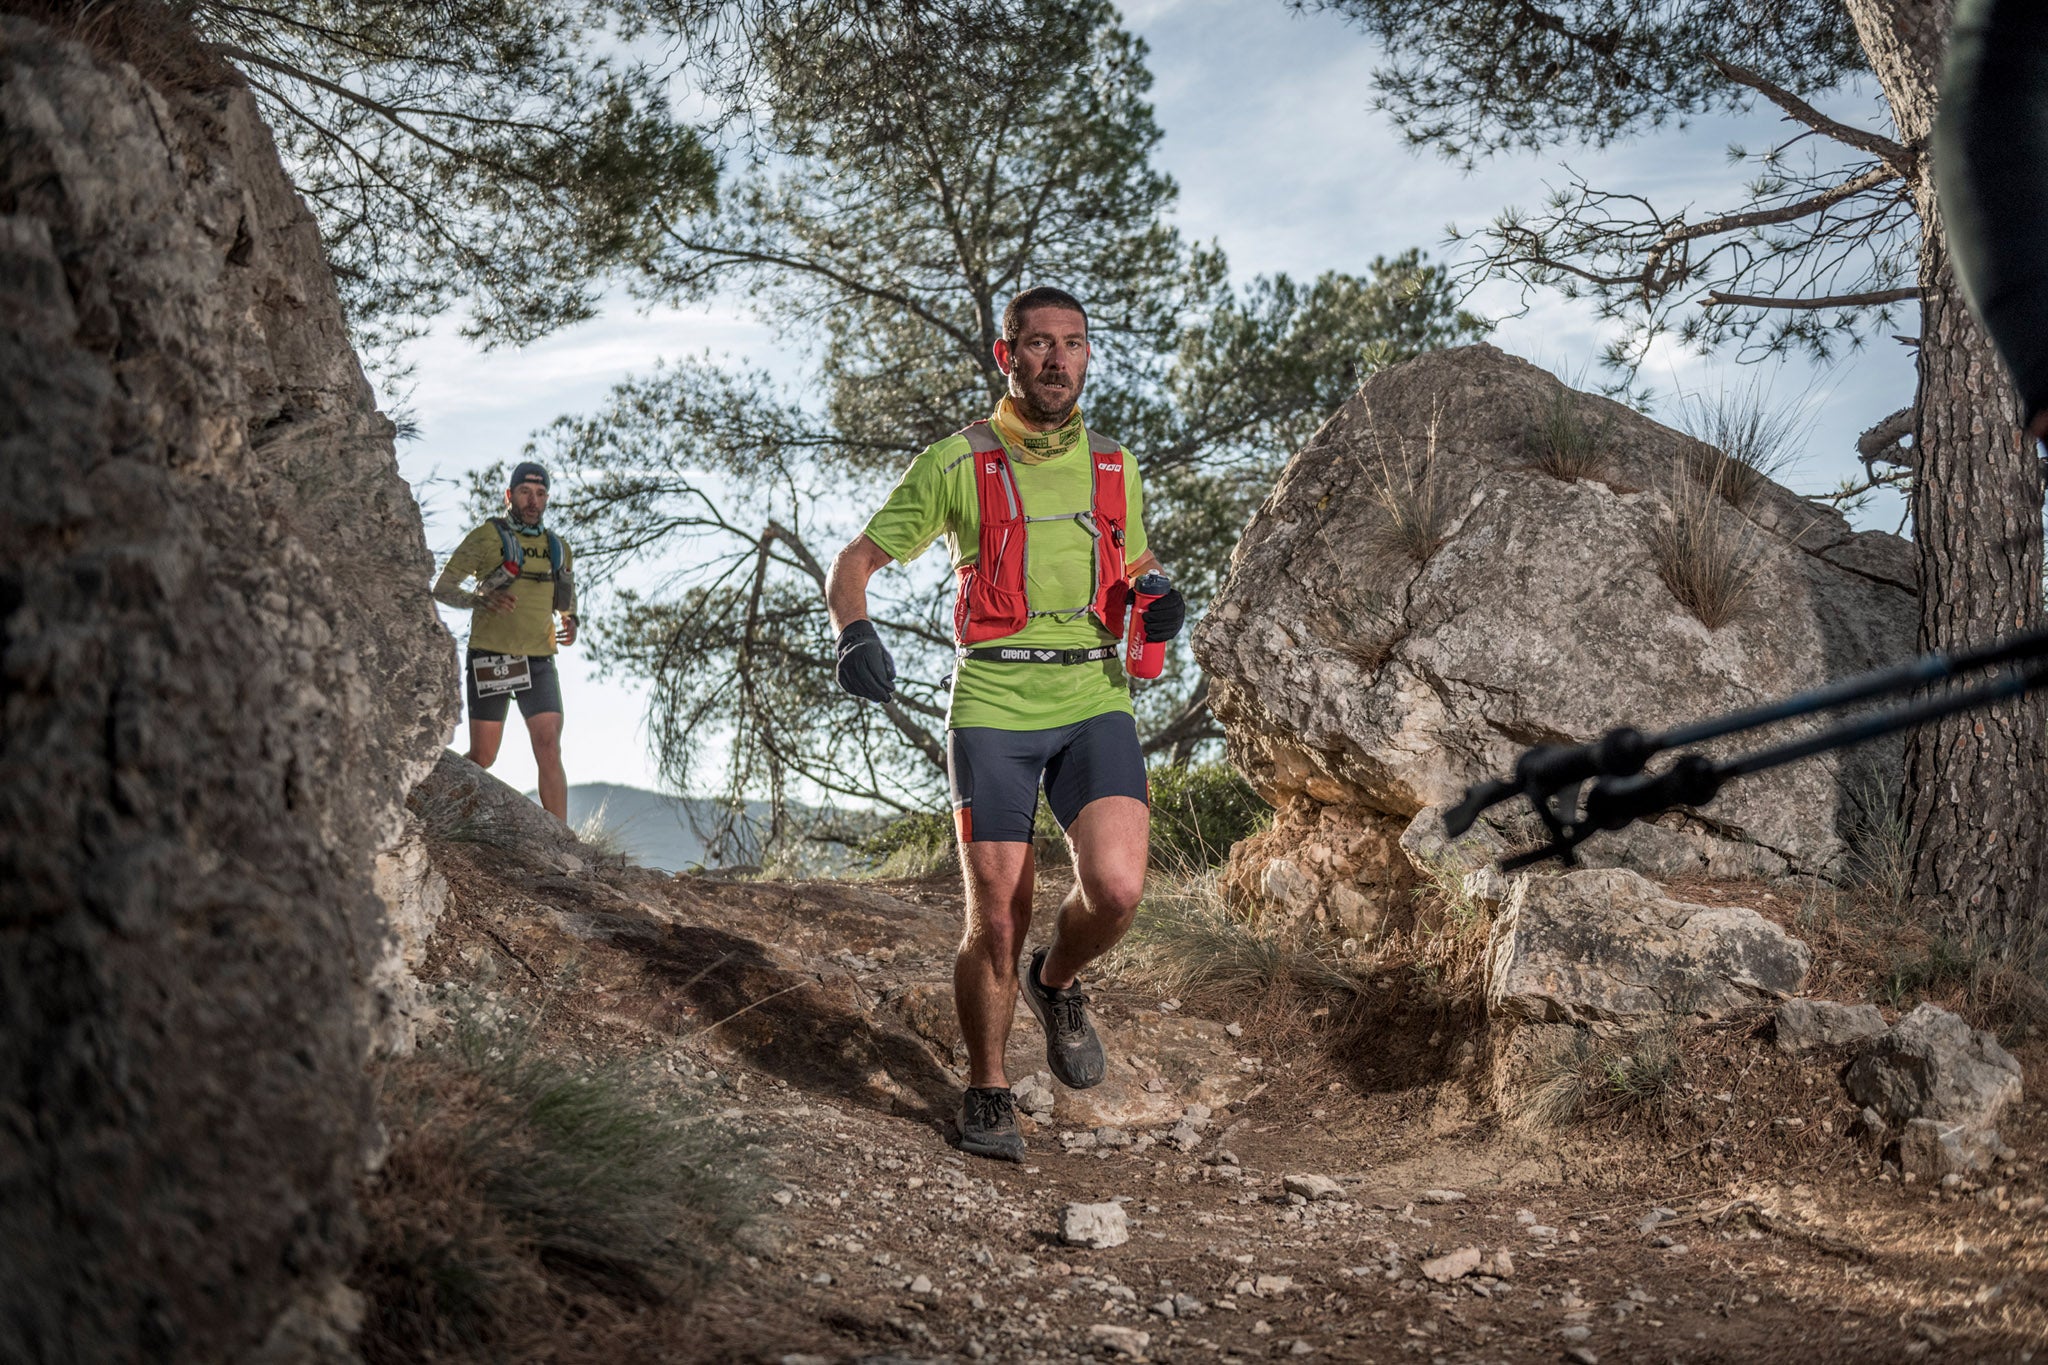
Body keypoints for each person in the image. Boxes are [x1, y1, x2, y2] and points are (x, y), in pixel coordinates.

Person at [825, 286, 1187, 1161]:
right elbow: (855, 562)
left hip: (1094, 693)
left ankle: (1055, 980)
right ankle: (987, 1085)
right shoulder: (957, 462)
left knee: (1119, 889)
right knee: (996, 913)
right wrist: (853, 632)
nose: (1057, 359)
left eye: (1073, 343)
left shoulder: (1113, 464)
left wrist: (1158, 595)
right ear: (1007, 355)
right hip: (993, 701)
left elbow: (1135, 560)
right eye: (1038, 345)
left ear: (1089, 354)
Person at [432, 461, 579, 821]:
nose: (533, 501)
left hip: (539, 659)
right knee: (483, 756)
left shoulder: (558, 546)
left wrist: (571, 621)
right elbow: (443, 588)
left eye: (541, 493)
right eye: (526, 492)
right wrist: (480, 599)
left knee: (548, 745)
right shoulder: (486, 537)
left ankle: (563, 841)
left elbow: (567, 600)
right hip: (491, 657)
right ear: (509, 495)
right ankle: (438, 812)